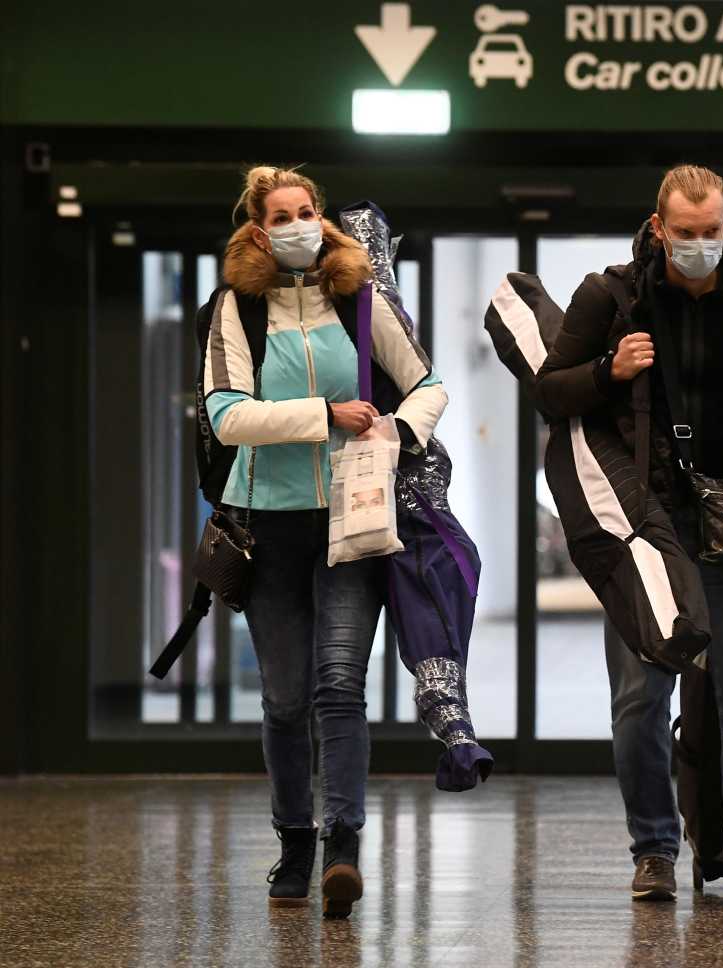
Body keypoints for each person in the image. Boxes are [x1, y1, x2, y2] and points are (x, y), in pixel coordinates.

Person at [535, 164, 723, 901]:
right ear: (659, 230)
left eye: (711, 232)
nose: (699, 246)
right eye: (684, 234)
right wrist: (607, 368)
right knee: (640, 695)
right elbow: (549, 391)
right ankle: (654, 852)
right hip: (644, 529)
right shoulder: (610, 296)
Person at [205, 166, 447, 918]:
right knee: (283, 700)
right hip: (268, 525)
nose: (300, 225)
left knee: (339, 685)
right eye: (283, 216)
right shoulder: (235, 311)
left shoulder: (359, 298)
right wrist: (326, 413)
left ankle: (343, 843)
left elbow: (428, 384)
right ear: (258, 230)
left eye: (307, 211)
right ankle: (295, 839)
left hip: (353, 518)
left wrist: (396, 430)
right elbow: (227, 416)